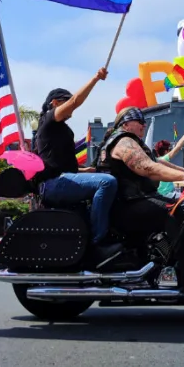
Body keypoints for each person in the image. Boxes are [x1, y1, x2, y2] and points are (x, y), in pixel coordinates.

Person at [96, 107, 184, 293]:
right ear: (126, 124)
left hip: (133, 202)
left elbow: (160, 164)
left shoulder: (132, 143)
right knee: (173, 211)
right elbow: (147, 168)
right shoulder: (123, 141)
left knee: (181, 206)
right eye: (139, 120)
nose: (143, 124)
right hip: (128, 204)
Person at [35, 68, 121, 265]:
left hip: (61, 179)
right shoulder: (48, 119)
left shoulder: (60, 129)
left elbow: (64, 167)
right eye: (65, 101)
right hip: (53, 184)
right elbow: (75, 102)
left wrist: (90, 171)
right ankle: (98, 242)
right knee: (106, 184)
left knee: (103, 177)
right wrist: (96, 78)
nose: (71, 109)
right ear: (54, 103)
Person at [154, 131, 184, 199]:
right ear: (166, 151)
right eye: (170, 149)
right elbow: (177, 148)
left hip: (164, 193)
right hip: (167, 194)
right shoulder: (164, 159)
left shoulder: (158, 162)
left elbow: (166, 184)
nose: (171, 150)